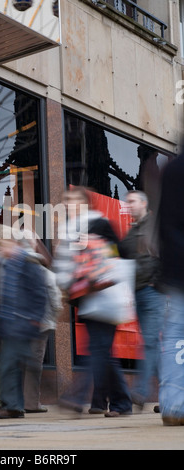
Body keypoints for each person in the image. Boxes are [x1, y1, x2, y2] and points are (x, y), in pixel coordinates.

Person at [53, 187, 132, 417]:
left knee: (97, 351)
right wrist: (65, 285)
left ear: (86, 203)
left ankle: (77, 396)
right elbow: (64, 265)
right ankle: (109, 402)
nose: (70, 203)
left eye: (75, 199)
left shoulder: (100, 224)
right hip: (87, 299)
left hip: (107, 296)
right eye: (67, 199)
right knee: (102, 353)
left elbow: (120, 257)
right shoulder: (69, 230)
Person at [0, 226, 48, 419]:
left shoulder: (27, 263)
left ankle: (11, 405)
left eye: (3, 244)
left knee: (10, 365)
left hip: (22, 322)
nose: (0, 248)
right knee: (11, 365)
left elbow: (40, 294)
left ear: (13, 243)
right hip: (6, 323)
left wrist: (35, 319)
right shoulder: (4, 264)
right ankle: (14, 405)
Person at [118, 190, 165, 410]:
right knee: (152, 345)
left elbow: (167, 254)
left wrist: (157, 282)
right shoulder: (133, 230)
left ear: (144, 203)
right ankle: (172, 395)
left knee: (149, 344)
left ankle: (140, 392)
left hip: (152, 292)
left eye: (132, 201)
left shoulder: (154, 226)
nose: (128, 205)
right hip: (138, 291)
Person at [157, 150, 184, 425]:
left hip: (177, 268)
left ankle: (175, 404)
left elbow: (163, 223)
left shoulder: (172, 169)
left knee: (176, 333)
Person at [23, 241, 62, 413]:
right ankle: (31, 403)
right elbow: (56, 302)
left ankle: (14, 400)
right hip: (42, 323)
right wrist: (53, 316)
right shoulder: (47, 274)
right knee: (35, 363)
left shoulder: (17, 272)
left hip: (21, 322)